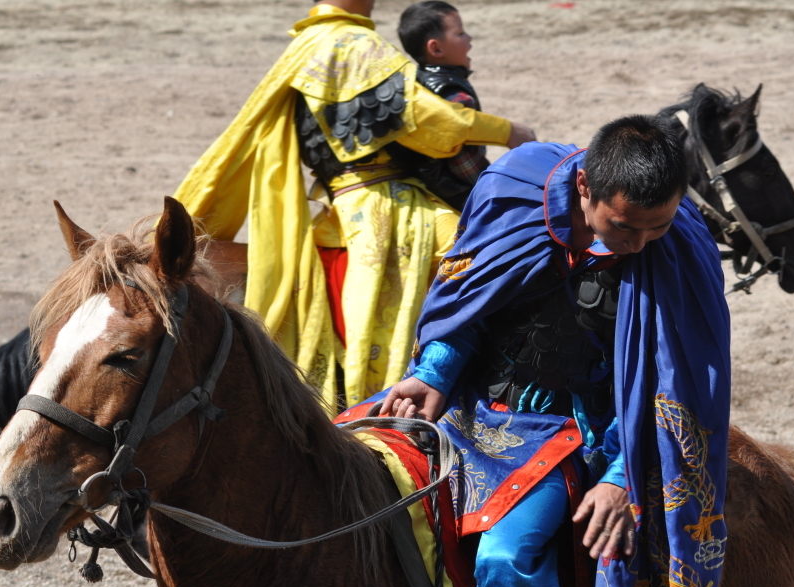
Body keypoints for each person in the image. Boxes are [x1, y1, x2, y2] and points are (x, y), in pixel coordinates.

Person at [378, 116, 733, 587]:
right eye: (623, 227)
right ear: (586, 187)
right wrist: (434, 373)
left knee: (506, 562)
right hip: (469, 404)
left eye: (656, 227)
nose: (638, 245)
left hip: (577, 430)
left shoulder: (678, 250)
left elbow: (671, 386)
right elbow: (472, 297)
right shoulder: (513, 191)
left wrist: (620, 475)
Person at [173, 0, 536, 411]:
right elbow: (425, 120)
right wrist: (507, 131)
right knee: (495, 251)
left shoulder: (303, 48)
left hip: (334, 214)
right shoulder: (356, 43)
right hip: (387, 208)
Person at [396, 1, 489, 211]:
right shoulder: (454, 95)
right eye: (460, 33)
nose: (470, 39)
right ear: (436, 48)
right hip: (455, 197)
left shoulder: (417, 84)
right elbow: (465, 164)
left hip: (423, 190)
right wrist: (493, 187)